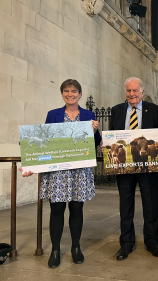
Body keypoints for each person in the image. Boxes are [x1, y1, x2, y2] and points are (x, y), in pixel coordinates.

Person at [20, 79, 102, 269]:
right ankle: (55, 250)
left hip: (79, 170)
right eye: (66, 91)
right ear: (62, 94)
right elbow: (46, 140)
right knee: (56, 210)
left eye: (74, 91)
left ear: (80, 94)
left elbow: (95, 143)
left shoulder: (89, 115)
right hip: (58, 171)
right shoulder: (53, 114)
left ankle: (75, 247)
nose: (70, 94)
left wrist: (96, 132)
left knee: (76, 209)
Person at [110, 77, 158, 261]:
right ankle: (126, 243)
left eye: (135, 91)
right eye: (128, 91)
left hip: (147, 165)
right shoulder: (116, 111)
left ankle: (151, 241)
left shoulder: (154, 110)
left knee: (150, 203)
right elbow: (112, 137)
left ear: (142, 91)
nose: (131, 94)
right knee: (125, 204)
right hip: (125, 166)